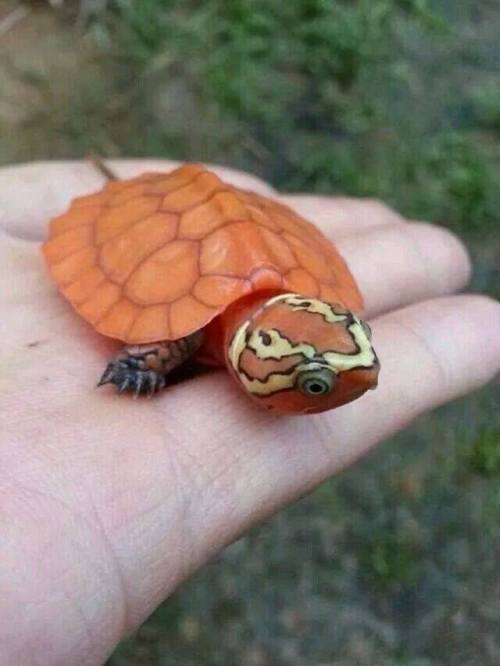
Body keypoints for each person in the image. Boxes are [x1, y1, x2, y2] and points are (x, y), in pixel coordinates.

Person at [1, 160, 499, 666]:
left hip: (247, 231)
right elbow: (169, 335)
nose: (364, 379)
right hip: (158, 227)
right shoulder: (190, 330)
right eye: (315, 384)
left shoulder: (300, 304)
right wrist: (145, 365)